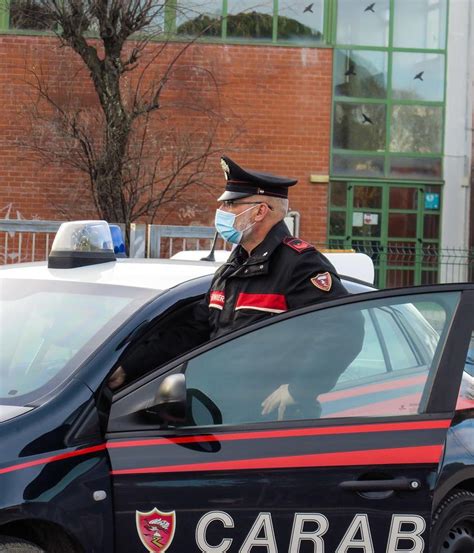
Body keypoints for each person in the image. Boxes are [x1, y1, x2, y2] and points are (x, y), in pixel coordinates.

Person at [109, 156, 364, 418]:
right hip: (221, 411)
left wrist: (300, 389)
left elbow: (343, 326)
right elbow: (192, 331)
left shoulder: (299, 264)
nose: (221, 210)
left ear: (260, 211)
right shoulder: (234, 266)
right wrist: (130, 366)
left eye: (231, 204)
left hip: (271, 420)